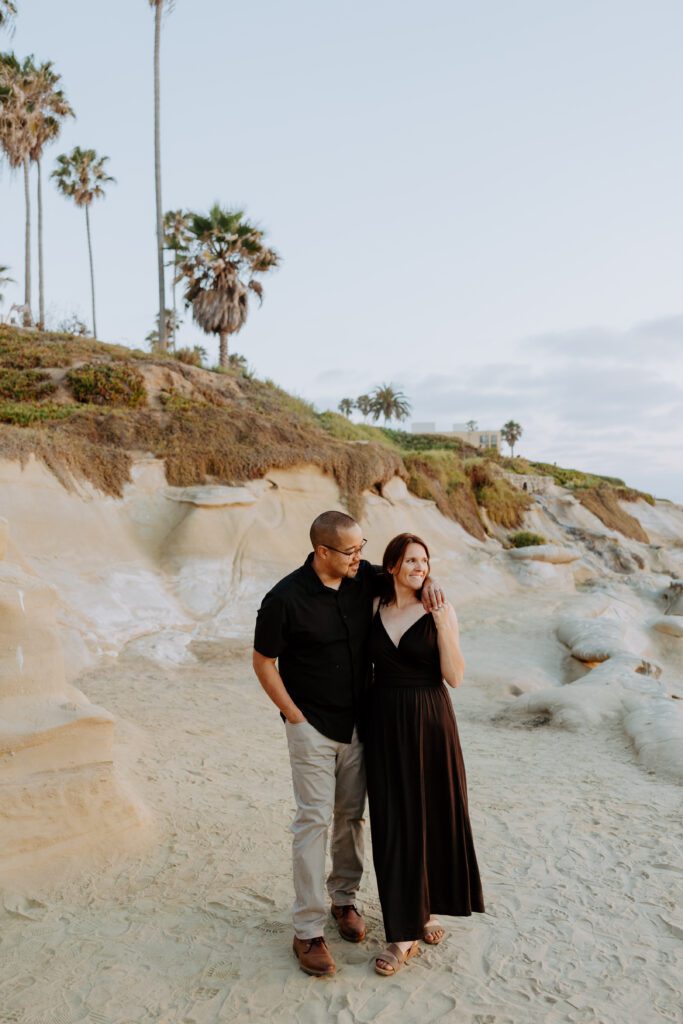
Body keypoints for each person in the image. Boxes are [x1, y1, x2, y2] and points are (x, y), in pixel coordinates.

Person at [252, 511, 444, 977]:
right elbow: (262, 662)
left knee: (351, 818)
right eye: (351, 551)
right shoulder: (284, 599)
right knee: (313, 821)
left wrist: (434, 585)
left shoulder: (364, 578)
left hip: (361, 724)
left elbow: (407, 572)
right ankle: (307, 931)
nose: (360, 557)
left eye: (362, 548)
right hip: (311, 727)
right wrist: (294, 717)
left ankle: (344, 901)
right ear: (323, 552)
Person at [364, 532, 485, 976]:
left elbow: (455, 676)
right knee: (394, 820)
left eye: (425, 561)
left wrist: (443, 625)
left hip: (431, 719)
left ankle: (413, 926)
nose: (420, 567)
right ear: (392, 566)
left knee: (432, 814)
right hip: (384, 722)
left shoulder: (440, 608)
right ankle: (409, 921)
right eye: (412, 560)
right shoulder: (374, 606)